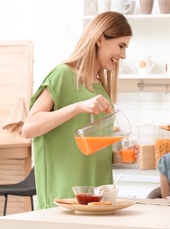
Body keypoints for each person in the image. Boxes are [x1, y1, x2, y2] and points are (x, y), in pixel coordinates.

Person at [22, 11, 132, 209]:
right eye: (121, 46)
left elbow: (91, 148)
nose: (123, 55)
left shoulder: (101, 87)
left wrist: (119, 156)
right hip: (63, 196)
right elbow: (29, 128)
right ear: (100, 39)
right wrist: (78, 107)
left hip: (97, 196)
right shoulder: (62, 75)